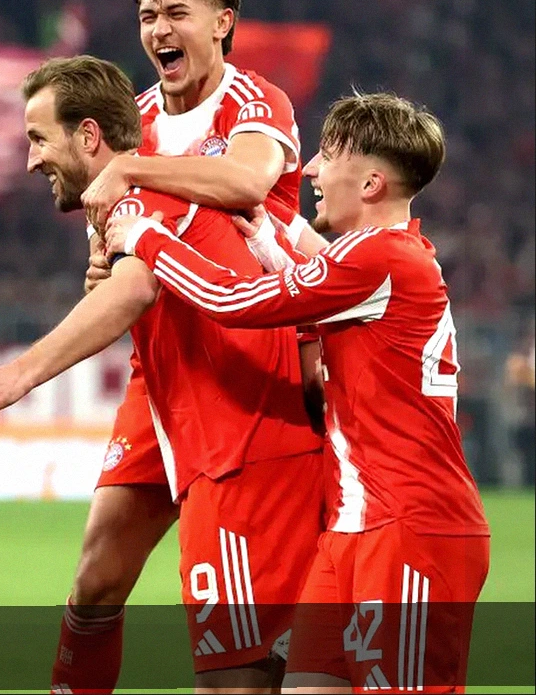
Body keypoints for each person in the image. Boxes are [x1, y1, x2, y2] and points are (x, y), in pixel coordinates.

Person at [0, 55, 323, 693]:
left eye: (39, 139)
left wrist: (18, 376)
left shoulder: (153, 183)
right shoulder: (126, 189)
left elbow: (137, 287)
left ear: (89, 136)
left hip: (236, 422)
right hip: (167, 392)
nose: (31, 160)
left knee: (235, 672)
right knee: (97, 580)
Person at [104, 92, 490, 691]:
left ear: (371, 184)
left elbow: (234, 301)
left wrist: (147, 238)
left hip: (411, 528)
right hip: (352, 528)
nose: (309, 169)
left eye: (327, 157)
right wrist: (267, 232)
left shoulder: (380, 258)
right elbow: (317, 274)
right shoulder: (385, 257)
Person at [60, 0, 324, 693]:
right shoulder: (135, 119)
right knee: (94, 581)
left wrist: (130, 168)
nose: (159, 29)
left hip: (243, 377)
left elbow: (245, 182)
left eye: (178, 12)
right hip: (159, 372)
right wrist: (100, 269)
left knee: (243, 642)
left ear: (222, 23)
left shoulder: (256, 101)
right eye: (148, 15)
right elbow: (112, 248)